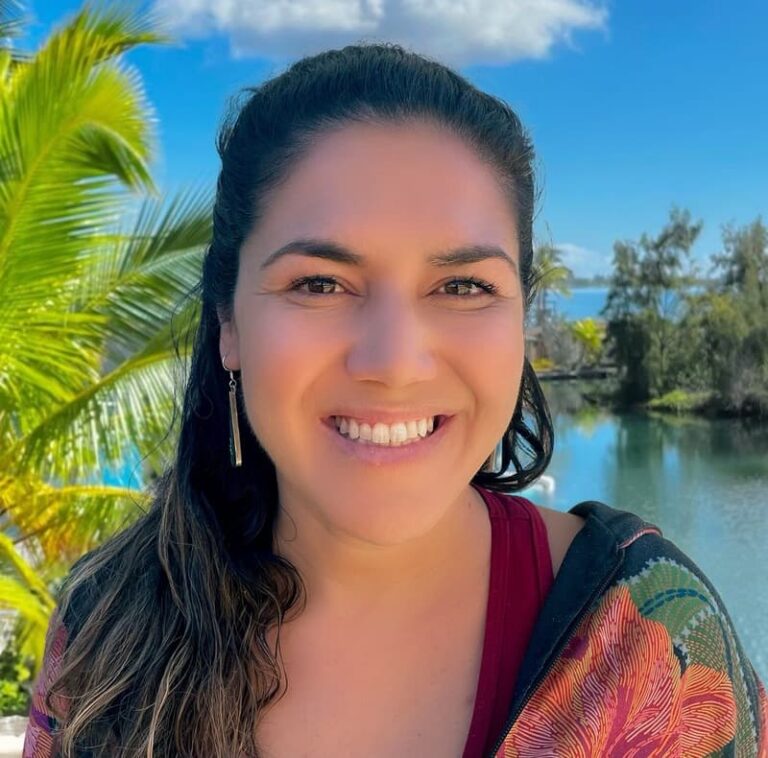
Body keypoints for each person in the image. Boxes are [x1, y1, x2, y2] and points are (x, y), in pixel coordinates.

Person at [23, 42, 767, 758]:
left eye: (462, 286)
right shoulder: (105, 634)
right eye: (319, 283)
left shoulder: (650, 640)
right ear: (228, 324)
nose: (394, 363)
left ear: (521, 320)